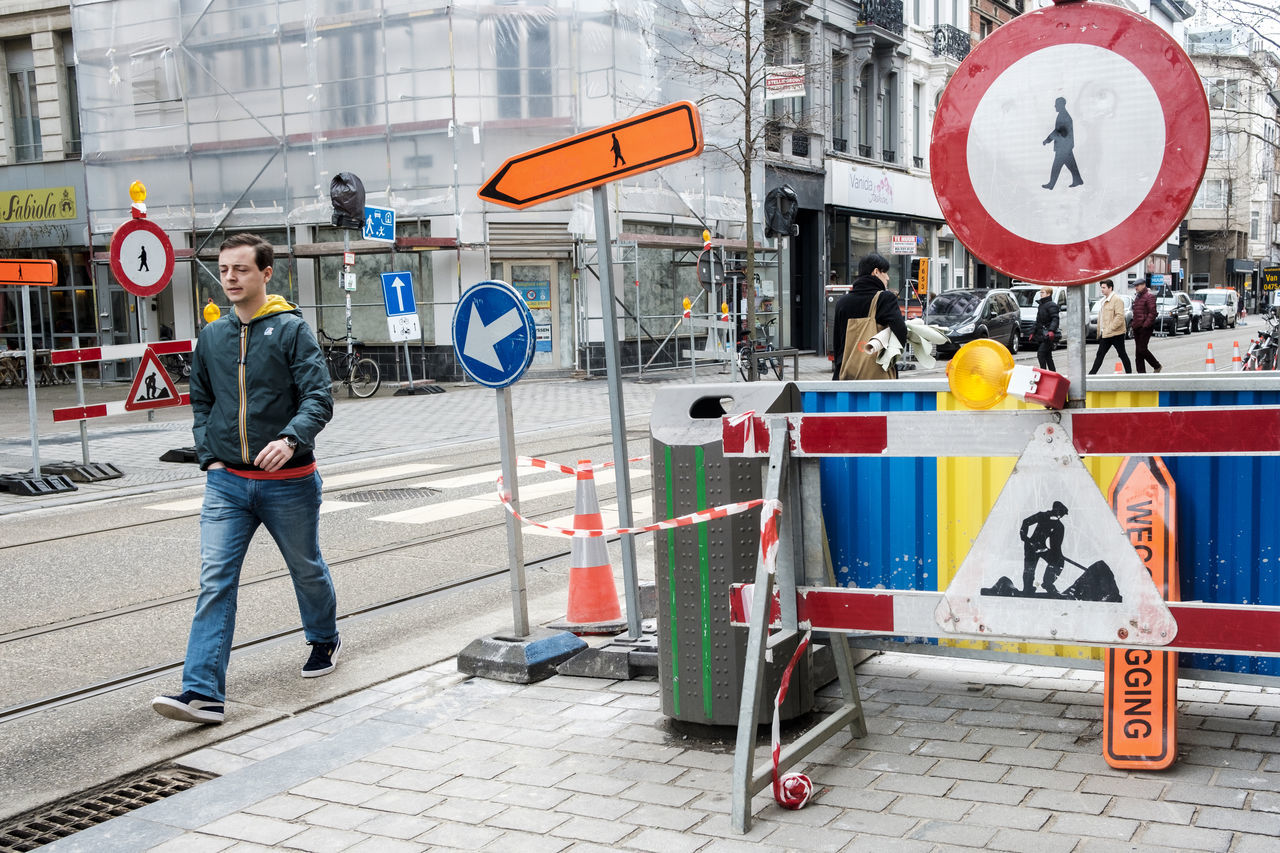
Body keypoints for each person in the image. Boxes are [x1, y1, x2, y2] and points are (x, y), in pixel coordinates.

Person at [152, 233, 339, 725]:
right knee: (215, 580)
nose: (231, 278)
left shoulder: (293, 330)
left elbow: (319, 399)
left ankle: (323, 638)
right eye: (225, 270)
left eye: (241, 270)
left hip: (289, 482)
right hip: (227, 483)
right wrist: (210, 457)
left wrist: (291, 439)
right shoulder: (211, 336)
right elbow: (202, 401)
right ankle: (203, 693)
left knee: (306, 568)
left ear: (265, 273)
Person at [830, 252, 908, 380]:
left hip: (848, 375)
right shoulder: (885, 299)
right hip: (877, 376)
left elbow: (838, 345)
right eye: (885, 272)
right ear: (876, 272)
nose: (887, 278)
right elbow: (900, 334)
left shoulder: (842, 302)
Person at [1020, 501, 1068, 596]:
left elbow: (1056, 546)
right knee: (1030, 569)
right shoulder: (1042, 516)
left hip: (1042, 549)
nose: (1060, 516)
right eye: (1061, 514)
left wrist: (1059, 556)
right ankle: (1027, 588)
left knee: (1059, 562)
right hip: (1031, 547)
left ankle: (1048, 583)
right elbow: (1026, 522)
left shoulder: (1059, 526)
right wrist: (1025, 538)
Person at [1088, 280, 1131, 374]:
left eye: (1104, 288)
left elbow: (1120, 317)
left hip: (1116, 333)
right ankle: (1091, 375)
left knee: (1122, 354)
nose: (1102, 290)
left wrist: (1109, 328)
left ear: (1110, 288)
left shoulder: (1117, 300)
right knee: (1100, 354)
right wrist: (1101, 331)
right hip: (1106, 334)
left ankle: (1129, 374)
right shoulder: (1103, 301)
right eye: (1101, 288)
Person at [1042, 97, 1083, 190]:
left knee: (1056, 166)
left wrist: (1047, 140)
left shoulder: (1063, 116)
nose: (1055, 106)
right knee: (1071, 165)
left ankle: (1051, 185)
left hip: (1063, 147)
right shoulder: (1063, 115)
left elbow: (1059, 132)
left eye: (1056, 104)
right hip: (1066, 146)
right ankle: (1078, 180)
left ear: (1061, 105)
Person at [1130, 278, 1162, 374]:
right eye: (1135, 286)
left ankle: (1156, 365)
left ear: (1143, 285)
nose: (1136, 287)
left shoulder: (1149, 296)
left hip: (1145, 327)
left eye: (1138, 285)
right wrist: (1133, 324)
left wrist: (1146, 325)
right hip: (1137, 327)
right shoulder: (1138, 297)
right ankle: (1141, 373)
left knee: (1142, 349)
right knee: (1138, 352)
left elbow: (1152, 312)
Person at [1032, 286, 1060, 371]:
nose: (1040, 294)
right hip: (1042, 334)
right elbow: (1038, 321)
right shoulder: (1041, 305)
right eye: (1040, 292)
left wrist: (1051, 330)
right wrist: (1032, 332)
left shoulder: (1052, 305)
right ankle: (1053, 373)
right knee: (1047, 356)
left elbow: (1055, 318)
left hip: (1048, 335)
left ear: (1048, 294)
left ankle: (1043, 372)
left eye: (1042, 292)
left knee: (1041, 354)